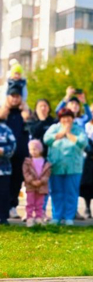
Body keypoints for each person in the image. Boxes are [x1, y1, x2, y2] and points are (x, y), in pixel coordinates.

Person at [43, 108, 88, 225]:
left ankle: (69, 217)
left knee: (71, 192)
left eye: (69, 117)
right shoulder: (54, 128)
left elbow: (83, 143)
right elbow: (46, 139)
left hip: (74, 167)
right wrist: (61, 133)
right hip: (56, 166)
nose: (66, 120)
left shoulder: (78, 129)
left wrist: (68, 134)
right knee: (56, 192)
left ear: (73, 118)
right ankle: (56, 216)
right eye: (63, 117)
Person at [0, 89, 30, 220]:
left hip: (19, 153)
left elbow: (31, 128)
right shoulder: (4, 113)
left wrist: (27, 116)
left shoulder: (24, 113)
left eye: (17, 96)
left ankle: (12, 206)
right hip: (3, 156)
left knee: (16, 181)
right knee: (4, 184)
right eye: (12, 96)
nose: (15, 99)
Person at [22, 140, 51, 225]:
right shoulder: (27, 162)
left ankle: (39, 217)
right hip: (30, 186)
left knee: (40, 203)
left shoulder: (46, 162)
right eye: (31, 149)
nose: (33, 151)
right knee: (30, 202)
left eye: (35, 149)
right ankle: (29, 218)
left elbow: (47, 173)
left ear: (40, 150)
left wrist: (41, 181)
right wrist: (32, 181)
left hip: (41, 186)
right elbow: (26, 172)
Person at [0, 120, 17, 225]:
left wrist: (2, 151)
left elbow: (13, 146)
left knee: (3, 194)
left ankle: (3, 217)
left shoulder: (5, 129)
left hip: (4, 170)